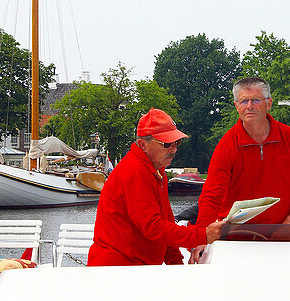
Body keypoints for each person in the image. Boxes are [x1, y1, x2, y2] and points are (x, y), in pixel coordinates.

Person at [88, 108, 223, 266]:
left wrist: (177, 265)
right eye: (167, 144)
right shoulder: (135, 171)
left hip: (134, 268)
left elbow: (166, 222)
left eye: (176, 142)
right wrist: (202, 235)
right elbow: (153, 227)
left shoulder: (157, 172)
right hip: (117, 270)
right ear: (142, 145)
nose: (174, 149)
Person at [196, 77, 290, 228]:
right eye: (243, 101)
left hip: (281, 232)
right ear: (236, 106)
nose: (249, 106)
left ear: (269, 104)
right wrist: (201, 237)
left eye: (256, 100)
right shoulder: (227, 145)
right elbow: (211, 197)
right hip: (235, 234)